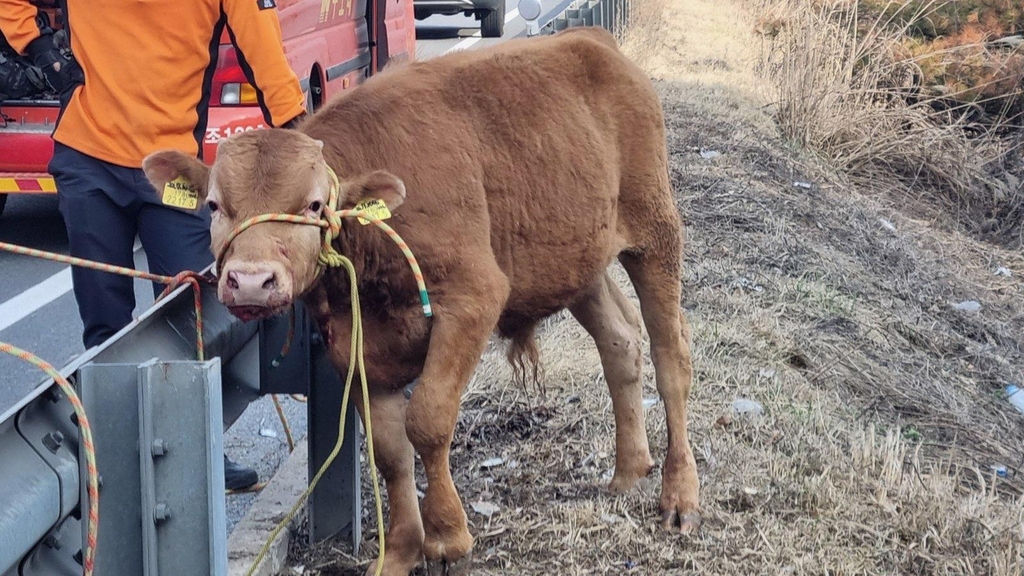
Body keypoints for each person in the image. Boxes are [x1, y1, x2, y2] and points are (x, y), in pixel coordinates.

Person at [0, 0, 307, 490]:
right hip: (88, 158)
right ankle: (111, 455)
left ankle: (198, 446)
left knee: (193, 313)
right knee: (105, 322)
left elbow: (262, 44)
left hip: (169, 167)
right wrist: (45, 55)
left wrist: (296, 131)